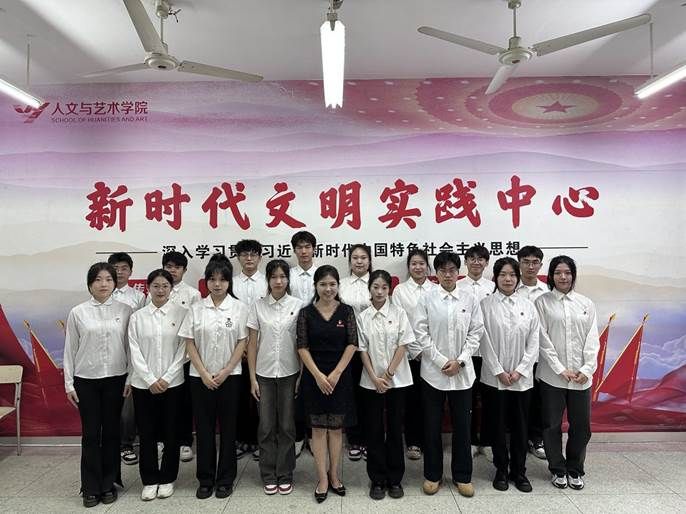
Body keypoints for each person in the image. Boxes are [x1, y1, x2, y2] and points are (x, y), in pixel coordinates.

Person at [411, 251, 484, 498]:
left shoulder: (469, 298)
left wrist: (460, 361)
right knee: (431, 426)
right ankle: (433, 475)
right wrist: (443, 362)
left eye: (452, 270)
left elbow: (476, 331)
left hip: (463, 374)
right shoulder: (427, 298)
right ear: (436, 273)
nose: (448, 274)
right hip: (433, 373)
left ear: (458, 271)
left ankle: (462, 476)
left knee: (463, 427)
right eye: (443, 270)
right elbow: (421, 333)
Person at [64, 262, 133, 508]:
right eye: (98, 280)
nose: (103, 284)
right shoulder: (78, 312)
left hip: (116, 378)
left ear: (115, 283)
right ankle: (91, 487)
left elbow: (130, 348)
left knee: (113, 432)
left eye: (108, 279)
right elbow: (70, 349)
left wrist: (130, 378)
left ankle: (108, 483)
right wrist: (69, 383)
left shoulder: (126, 310)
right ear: (90, 284)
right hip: (86, 380)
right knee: (91, 434)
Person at [179, 255, 248, 500]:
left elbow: (242, 341)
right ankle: (206, 479)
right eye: (212, 279)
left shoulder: (239, 308)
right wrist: (204, 373)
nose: (217, 284)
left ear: (229, 282)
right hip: (200, 378)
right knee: (204, 429)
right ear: (206, 281)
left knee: (229, 429)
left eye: (222, 279)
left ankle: (226, 479)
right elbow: (189, 342)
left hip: (231, 377)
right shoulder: (196, 308)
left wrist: (227, 369)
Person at [535, 255, 600, 491]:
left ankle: (575, 468)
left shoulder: (586, 303)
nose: (563, 277)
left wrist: (586, 369)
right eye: (558, 273)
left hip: (581, 378)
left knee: (581, 427)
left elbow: (592, 339)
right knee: (551, 425)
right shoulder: (542, 303)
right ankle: (557, 468)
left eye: (568, 273)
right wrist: (559, 368)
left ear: (573, 275)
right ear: (551, 276)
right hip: (552, 376)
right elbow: (542, 338)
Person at [296, 265, 358, 503]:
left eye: (332, 284)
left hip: (340, 378)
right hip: (315, 379)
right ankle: (322, 478)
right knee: (319, 430)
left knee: (336, 429)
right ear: (316, 286)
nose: (328, 289)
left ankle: (334, 475)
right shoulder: (306, 313)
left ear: (338, 286)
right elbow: (302, 347)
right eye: (323, 284)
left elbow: (352, 343)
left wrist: (335, 374)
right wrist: (319, 376)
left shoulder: (346, 311)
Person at [479, 257, 539, 493]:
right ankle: (501, 470)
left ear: (518, 278)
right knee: (497, 425)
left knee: (521, 427)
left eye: (512, 275)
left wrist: (521, 370)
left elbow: (534, 341)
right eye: (503, 274)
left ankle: (519, 472)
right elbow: (483, 340)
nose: (507, 279)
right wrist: (498, 371)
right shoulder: (485, 305)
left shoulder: (528, 305)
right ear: (495, 277)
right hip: (494, 379)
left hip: (521, 380)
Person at [128, 269, 188, 501]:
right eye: (156, 286)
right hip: (143, 385)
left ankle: (168, 477)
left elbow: (184, 349)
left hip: (173, 383)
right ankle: (149, 479)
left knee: (172, 432)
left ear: (171, 288)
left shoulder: (182, 313)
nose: (160, 290)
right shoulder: (138, 317)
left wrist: (167, 377)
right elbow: (134, 350)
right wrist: (150, 379)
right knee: (147, 433)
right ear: (148, 288)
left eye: (165, 286)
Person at [247, 260, 304, 496]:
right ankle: (268, 473)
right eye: (274, 277)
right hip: (264, 374)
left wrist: (301, 376)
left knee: (287, 426)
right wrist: (252, 378)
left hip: (290, 373)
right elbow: (252, 344)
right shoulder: (258, 306)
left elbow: (302, 344)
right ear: (268, 280)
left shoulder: (298, 305)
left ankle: (286, 473)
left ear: (288, 279)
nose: (278, 281)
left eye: (282, 277)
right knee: (266, 426)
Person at [358, 270, 414, 500]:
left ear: (389, 290)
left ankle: (395, 478)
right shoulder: (363, 316)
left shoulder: (399, 313)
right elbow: (362, 349)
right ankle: (377, 479)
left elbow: (403, 344)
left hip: (397, 381)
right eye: (375, 287)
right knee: (373, 430)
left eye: (384, 288)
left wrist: (389, 374)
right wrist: (374, 377)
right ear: (369, 289)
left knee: (394, 429)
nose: (380, 292)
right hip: (371, 381)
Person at [391, 249, 437, 461]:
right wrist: (416, 350)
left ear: (427, 266)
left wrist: (429, 351)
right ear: (408, 267)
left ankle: (431, 441)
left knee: (431, 401)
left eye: (421, 263)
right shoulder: (400, 291)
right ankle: (413, 442)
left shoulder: (436, 289)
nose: (418, 267)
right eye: (413, 264)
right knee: (412, 401)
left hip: (433, 355)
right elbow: (399, 323)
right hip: (409, 356)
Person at [159, 251, 201, 463]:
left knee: (184, 402)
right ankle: (162, 440)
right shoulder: (155, 291)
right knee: (160, 401)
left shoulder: (193, 294)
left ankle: (185, 441)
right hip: (159, 356)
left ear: (184, 270)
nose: (173, 270)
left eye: (177, 267)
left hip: (184, 357)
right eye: (169, 266)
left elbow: (196, 326)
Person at [107, 252, 144, 467]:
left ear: (130, 271)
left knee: (128, 406)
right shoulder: (102, 294)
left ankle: (126, 444)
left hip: (131, 355)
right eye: (115, 268)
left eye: (124, 268)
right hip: (107, 357)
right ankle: (109, 444)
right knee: (108, 405)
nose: (119, 272)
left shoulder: (138, 297)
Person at [232, 239, 267, 460]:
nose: (249, 258)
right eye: (244, 254)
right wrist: (242, 346)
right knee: (239, 397)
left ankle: (258, 440)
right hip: (235, 348)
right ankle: (240, 439)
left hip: (262, 347)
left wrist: (253, 345)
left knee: (260, 397)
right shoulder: (231, 283)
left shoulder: (267, 282)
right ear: (238, 258)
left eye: (253, 254)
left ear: (260, 257)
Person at [457, 244, 492, 459]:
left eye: (481, 259)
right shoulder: (458, 286)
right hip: (465, 353)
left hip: (489, 352)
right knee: (467, 400)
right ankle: (469, 440)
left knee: (489, 398)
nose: (476, 262)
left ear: (486, 263)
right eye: (472, 258)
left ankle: (486, 441)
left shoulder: (494, 286)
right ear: (466, 261)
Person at [338, 243, 372, 461]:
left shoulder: (376, 282)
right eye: (355, 258)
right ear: (349, 261)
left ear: (369, 261)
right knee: (350, 394)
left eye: (363, 257)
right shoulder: (341, 284)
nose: (359, 261)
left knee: (370, 395)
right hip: (347, 348)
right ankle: (354, 439)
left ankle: (370, 439)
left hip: (373, 347)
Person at [516, 245, 548, 460]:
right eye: (526, 262)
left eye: (534, 262)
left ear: (540, 265)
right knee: (518, 399)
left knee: (538, 398)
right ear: (519, 263)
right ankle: (516, 437)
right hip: (514, 354)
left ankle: (536, 438)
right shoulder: (510, 286)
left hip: (540, 355)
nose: (530, 266)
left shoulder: (547, 291)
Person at [289, 230, 319, 457]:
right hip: (291, 334)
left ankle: (313, 435)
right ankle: (299, 435)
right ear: (294, 250)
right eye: (299, 247)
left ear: (314, 249)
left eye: (307, 246)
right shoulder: (288, 275)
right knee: (296, 386)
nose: (304, 251)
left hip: (317, 335)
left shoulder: (322, 273)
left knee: (314, 384)